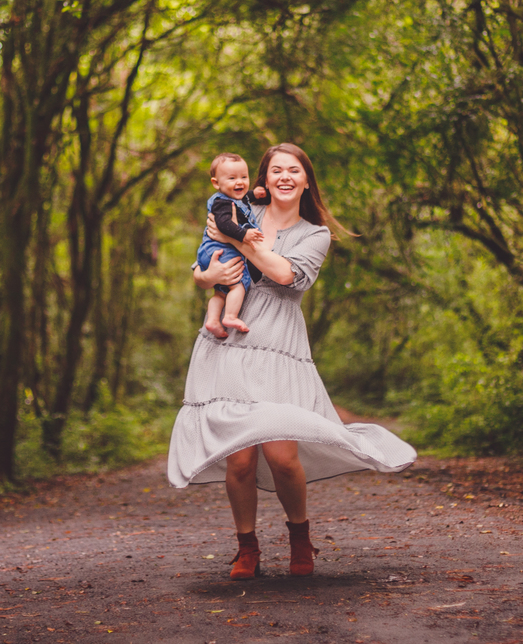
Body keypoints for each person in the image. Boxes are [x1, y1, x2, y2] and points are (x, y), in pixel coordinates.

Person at [167, 143, 417, 580]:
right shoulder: (240, 211)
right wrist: (210, 273)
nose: (284, 176)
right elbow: (201, 267)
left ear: (305, 180)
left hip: (278, 345)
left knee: (282, 456)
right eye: (276, 169)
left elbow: (284, 274)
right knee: (239, 459)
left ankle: (300, 537)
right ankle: (248, 549)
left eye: (294, 170)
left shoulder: (315, 234)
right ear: (264, 179)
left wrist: (232, 239)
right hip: (228, 341)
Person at [196, 152, 268, 338]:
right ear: (216, 183)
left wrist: (254, 194)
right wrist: (244, 235)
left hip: (210, 252)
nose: (240, 182)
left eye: (244, 177)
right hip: (220, 250)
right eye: (232, 178)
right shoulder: (222, 204)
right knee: (238, 284)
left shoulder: (235, 197)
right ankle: (230, 316)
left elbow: (243, 198)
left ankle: (212, 321)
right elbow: (224, 225)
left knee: (220, 293)